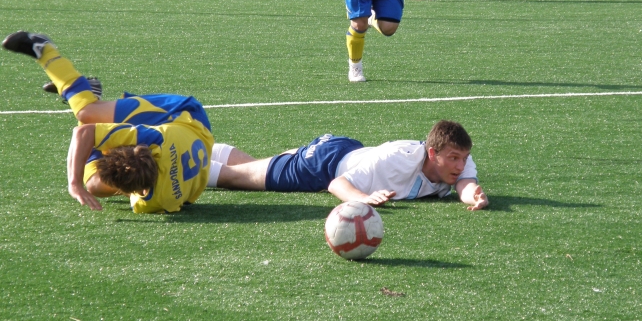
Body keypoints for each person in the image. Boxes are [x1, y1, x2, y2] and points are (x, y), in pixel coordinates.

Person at [1, 31, 214, 213]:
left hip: (192, 144)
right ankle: (44, 49)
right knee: (87, 113)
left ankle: (85, 91)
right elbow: (84, 132)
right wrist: (74, 184)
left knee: (95, 186)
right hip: (184, 116)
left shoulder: (157, 158)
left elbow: (89, 137)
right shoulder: (158, 144)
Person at [206, 120, 489, 211]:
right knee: (240, 178)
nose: (460, 164)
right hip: (323, 166)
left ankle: (207, 149)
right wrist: (363, 198)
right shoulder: (394, 161)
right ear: (432, 153)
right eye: (454, 158)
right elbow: (337, 184)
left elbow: (465, 184)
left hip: (349, 150)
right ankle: (185, 168)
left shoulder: (460, 160)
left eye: (463, 158)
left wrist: (474, 196)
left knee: (257, 166)